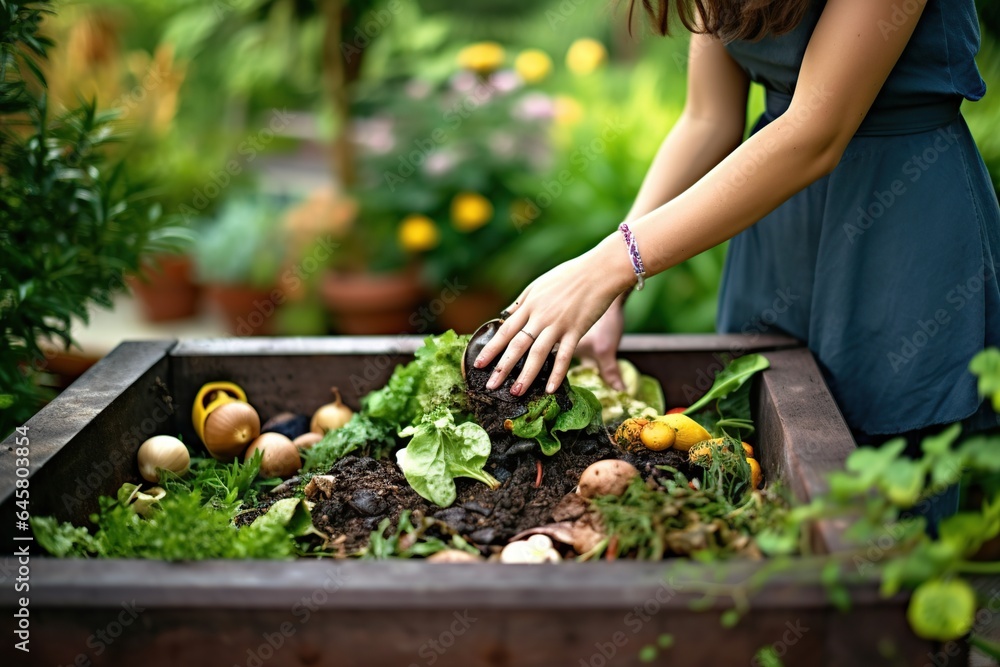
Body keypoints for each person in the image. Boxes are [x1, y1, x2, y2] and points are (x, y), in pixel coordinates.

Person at [473, 0, 1000, 451]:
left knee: (885, 487)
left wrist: (608, 266)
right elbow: (707, 119)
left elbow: (816, 132)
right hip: (776, 231)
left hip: (901, 223)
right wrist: (611, 288)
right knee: (755, 440)